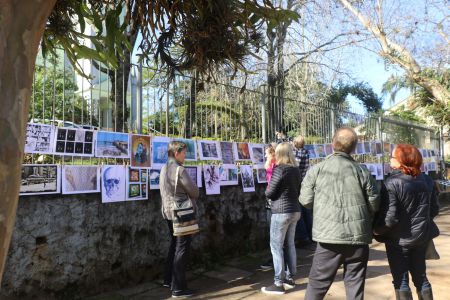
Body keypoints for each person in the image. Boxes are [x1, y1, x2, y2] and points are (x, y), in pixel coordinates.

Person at [299, 127, 380, 300]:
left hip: (328, 238)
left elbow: (305, 200)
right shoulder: (362, 171)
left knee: (317, 285)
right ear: (354, 147)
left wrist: (322, 207)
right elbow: (375, 203)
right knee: (355, 285)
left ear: (332, 144)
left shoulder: (317, 170)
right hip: (358, 237)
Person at [374, 144, 439, 300]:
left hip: (398, 242)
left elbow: (390, 219)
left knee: (401, 281)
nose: (390, 159)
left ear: (402, 160)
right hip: (421, 238)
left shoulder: (392, 183)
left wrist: (376, 230)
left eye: (393, 157)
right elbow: (434, 210)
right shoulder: (427, 181)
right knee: (421, 278)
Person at [160, 141, 200, 298]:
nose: (185, 155)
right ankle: (178, 288)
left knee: (174, 246)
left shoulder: (163, 168)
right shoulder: (180, 170)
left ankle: (168, 279)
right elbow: (194, 192)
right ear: (176, 153)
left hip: (168, 212)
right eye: (183, 152)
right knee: (182, 248)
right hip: (181, 214)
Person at [261, 142, 302, 295]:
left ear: (280, 154)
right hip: (295, 210)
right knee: (290, 244)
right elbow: (299, 189)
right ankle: (290, 278)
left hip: (281, 212)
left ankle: (278, 283)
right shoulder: (295, 170)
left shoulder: (280, 169)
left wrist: (269, 191)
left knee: (276, 246)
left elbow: (269, 192)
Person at [292, 135, 313, 246]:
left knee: (298, 211)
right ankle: (311, 235)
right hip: (304, 183)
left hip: (296, 184)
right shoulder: (305, 152)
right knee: (306, 211)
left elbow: (295, 166)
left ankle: (303, 237)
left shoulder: (296, 154)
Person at [260, 143, 277, 270]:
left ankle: (274, 261)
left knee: (273, 231)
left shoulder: (273, 164)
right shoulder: (277, 163)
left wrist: (267, 193)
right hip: (273, 199)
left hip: (272, 200)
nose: (265, 154)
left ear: (272, 153)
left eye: (266, 152)